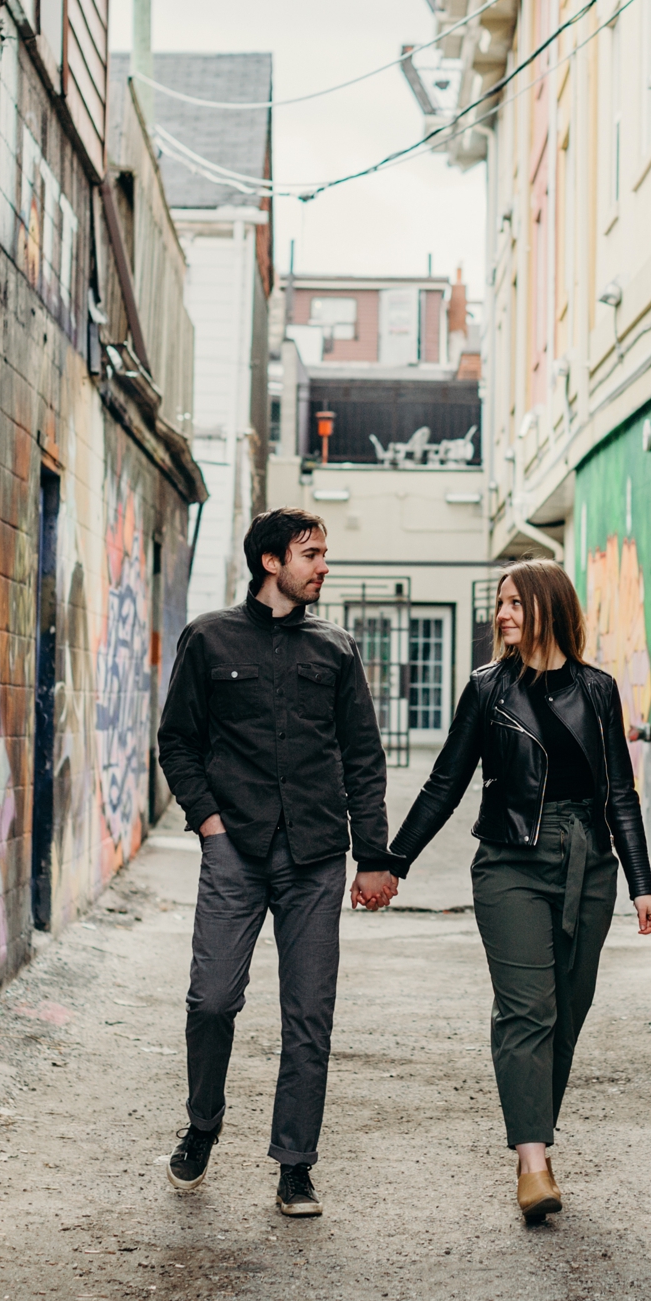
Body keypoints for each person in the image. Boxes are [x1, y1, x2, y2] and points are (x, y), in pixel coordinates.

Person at [365, 559, 651, 1224]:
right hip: (510, 861)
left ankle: (534, 1134)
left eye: (516, 605)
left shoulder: (599, 690)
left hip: (588, 862)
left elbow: (619, 793)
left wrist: (641, 883)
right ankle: (534, 1161)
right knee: (528, 1009)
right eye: (500, 604)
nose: (503, 615)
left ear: (549, 609)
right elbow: (445, 783)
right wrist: (394, 862)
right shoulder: (486, 689)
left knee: (569, 1011)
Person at [153, 509, 399, 1217]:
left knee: (308, 1016)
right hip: (237, 850)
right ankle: (203, 1124)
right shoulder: (209, 638)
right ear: (270, 562)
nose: (323, 566)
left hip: (316, 856)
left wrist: (374, 856)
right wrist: (210, 824)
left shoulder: (337, 649)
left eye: (324, 554)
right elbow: (178, 743)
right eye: (311, 553)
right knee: (212, 999)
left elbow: (363, 760)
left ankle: (296, 1163)